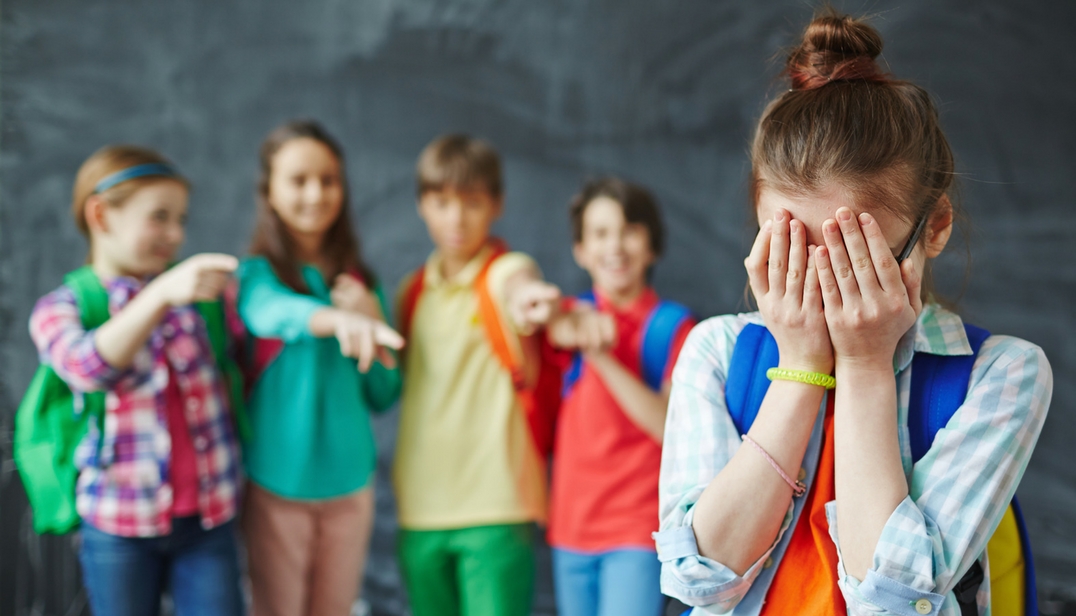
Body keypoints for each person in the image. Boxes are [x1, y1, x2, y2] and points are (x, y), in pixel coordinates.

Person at [654, 10, 1052, 616]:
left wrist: (865, 367)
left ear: (935, 227)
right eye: (791, 251)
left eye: (854, 258)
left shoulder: (1003, 375)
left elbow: (895, 597)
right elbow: (700, 581)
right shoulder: (715, 351)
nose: (823, 287)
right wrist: (800, 366)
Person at [29, 145, 245, 616]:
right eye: (160, 217)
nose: (175, 234)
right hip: (116, 524)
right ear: (101, 215)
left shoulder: (198, 299)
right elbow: (89, 369)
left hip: (208, 517)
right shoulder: (62, 307)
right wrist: (161, 294)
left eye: (181, 219)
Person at [237, 120, 403, 616]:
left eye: (328, 180)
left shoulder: (360, 285)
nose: (316, 194)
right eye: (298, 180)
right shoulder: (256, 277)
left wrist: (369, 320)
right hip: (276, 484)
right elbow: (273, 313)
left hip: (350, 487)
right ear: (269, 190)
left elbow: (383, 391)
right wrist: (336, 319)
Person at [393, 133, 564, 616]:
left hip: (497, 504)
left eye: (471, 202)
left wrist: (530, 302)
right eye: (441, 201)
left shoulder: (505, 270)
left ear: (496, 205)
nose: (456, 217)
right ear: (422, 204)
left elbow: (520, 285)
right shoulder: (412, 291)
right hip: (419, 508)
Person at [545, 177, 695, 616]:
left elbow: (666, 426)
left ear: (652, 246)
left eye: (630, 230)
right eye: (600, 233)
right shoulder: (567, 317)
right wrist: (569, 323)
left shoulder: (674, 327)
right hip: (570, 527)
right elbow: (535, 314)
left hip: (638, 528)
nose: (616, 245)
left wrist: (601, 356)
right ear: (580, 249)